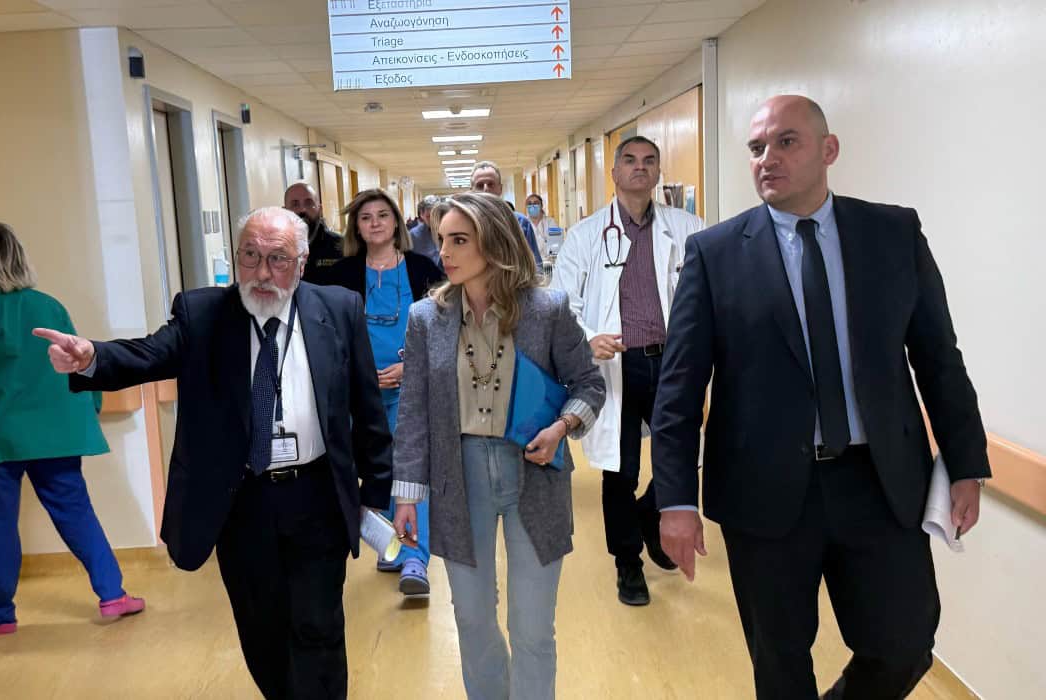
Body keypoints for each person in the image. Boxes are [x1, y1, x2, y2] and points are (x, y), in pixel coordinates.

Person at [651, 95, 990, 699]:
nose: (768, 159)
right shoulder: (716, 253)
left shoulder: (893, 233)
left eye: (787, 142)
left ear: (828, 150)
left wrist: (966, 462)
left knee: (905, 644)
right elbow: (679, 387)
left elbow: (939, 357)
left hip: (879, 482)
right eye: (757, 148)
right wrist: (674, 498)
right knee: (780, 663)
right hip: (765, 492)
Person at [34, 207, 392, 699]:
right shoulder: (203, 313)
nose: (262, 272)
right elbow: (149, 353)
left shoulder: (339, 308)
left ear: (302, 262)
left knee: (319, 627)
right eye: (250, 256)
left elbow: (366, 404)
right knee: (262, 630)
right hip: (242, 502)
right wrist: (93, 357)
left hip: (316, 496)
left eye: (277, 258)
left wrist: (377, 491)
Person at [392, 192, 604, 699]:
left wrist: (563, 426)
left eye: (459, 240)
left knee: (532, 627)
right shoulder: (426, 318)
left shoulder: (547, 310)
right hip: (458, 474)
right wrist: (407, 494)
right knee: (471, 617)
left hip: (534, 469)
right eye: (442, 240)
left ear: (494, 243)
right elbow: (414, 408)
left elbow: (588, 383)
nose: (444, 252)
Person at [0, 222, 144, 637]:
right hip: (57, 436)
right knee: (76, 513)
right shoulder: (50, 306)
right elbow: (79, 361)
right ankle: (113, 595)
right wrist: (89, 409)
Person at [549, 135, 705, 606]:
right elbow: (561, 304)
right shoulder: (585, 235)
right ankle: (628, 563)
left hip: (672, 363)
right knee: (620, 470)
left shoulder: (688, 228)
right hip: (616, 365)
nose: (640, 167)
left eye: (649, 161)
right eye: (631, 161)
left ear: (657, 172)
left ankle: (649, 515)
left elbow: (706, 296)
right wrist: (587, 339)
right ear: (614, 173)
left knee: (685, 454)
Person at [324, 188, 444, 596]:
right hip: (358, 391)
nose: (374, 223)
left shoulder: (422, 268)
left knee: (411, 468)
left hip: (412, 386)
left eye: (382, 215)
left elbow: (445, 328)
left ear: (396, 222)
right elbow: (327, 336)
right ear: (356, 227)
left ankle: (414, 558)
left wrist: (412, 367)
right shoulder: (341, 274)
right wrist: (362, 376)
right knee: (378, 469)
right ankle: (391, 544)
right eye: (365, 217)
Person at [469, 161, 543, 267]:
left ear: (500, 188)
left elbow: (536, 265)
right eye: (480, 185)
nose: (486, 189)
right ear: (472, 190)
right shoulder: (463, 224)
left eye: (491, 184)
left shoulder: (520, 223)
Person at [285, 181, 344, 285]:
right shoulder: (274, 247)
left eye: (309, 203)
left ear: (320, 209)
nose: (302, 209)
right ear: (284, 211)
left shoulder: (342, 246)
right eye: (295, 204)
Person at [408, 194, 442, 267]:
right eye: (428, 216)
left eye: (436, 215)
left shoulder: (448, 230)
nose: (433, 220)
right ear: (422, 215)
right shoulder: (413, 235)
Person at [524, 194, 562, 259]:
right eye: (529, 203)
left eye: (535, 203)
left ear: (541, 206)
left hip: (549, 261)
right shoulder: (523, 224)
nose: (532, 206)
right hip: (530, 261)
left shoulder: (551, 222)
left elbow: (557, 244)